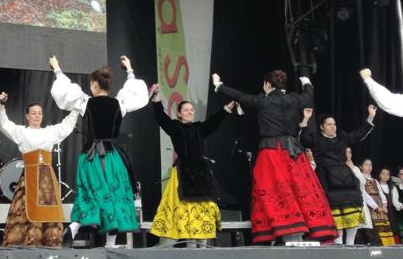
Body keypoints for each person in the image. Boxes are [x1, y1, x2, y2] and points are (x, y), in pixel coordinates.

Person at [211, 70, 337, 244]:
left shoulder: (263, 100)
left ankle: (285, 232)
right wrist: (306, 82)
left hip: (272, 152)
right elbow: (308, 95)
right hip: (293, 152)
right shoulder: (294, 99)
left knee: (273, 189)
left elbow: (240, 96)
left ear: (267, 85)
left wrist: (219, 85)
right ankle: (302, 231)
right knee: (300, 188)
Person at [50, 55, 148, 248]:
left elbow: (64, 91)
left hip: (91, 157)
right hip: (113, 158)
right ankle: (110, 243)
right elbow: (134, 92)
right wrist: (129, 70)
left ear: (94, 84)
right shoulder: (119, 103)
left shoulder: (86, 102)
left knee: (90, 193)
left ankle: (75, 226)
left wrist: (57, 69)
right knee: (114, 195)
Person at [148, 83, 235, 248]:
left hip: (201, 175)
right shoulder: (175, 127)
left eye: (192, 109)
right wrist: (157, 98)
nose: (190, 112)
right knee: (183, 211)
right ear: (179, 114)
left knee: (202, 211)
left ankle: (202, 247)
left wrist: (228, 107)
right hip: (183, 173)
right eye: (186, 110)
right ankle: (188, 248)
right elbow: (160, 117)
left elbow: (214, 121)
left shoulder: (199, 128)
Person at [0, 92, 79, 247]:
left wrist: (75, 109)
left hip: (47, 179)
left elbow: (66, 126)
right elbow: (5, 125)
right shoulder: (22, 132)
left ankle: (50, 243)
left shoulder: (50, 131)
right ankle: (28, 245)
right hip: (29, 179)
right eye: (33, 113)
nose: (37, 116)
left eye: (40, 113)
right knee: (24, 212)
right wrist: (2, 106)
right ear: (27, 116)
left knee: (50, 212)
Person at [299, 105, 376, 245]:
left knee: (353, 207)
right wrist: (305, 119)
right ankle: (339, 246)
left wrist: (370, 116)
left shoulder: (342, 137)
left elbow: (358, 134)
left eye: (334, 124)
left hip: (345, 177)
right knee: (336, 214)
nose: (333, 127)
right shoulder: (315, 138)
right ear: (321, 127)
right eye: (329, 124)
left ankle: (350, 244)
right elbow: (303, 139)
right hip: (326, 178)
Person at [356, 159, 395, 246]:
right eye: (366, 165)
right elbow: (364, 195)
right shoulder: (360, 178)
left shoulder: (375, 180)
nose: (369, 167)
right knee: (375, 229)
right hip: (370, 208)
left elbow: (381, 194)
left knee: (384, 229)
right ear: (361, 167)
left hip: (381, 208)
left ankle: (388, 248)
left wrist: (384, 205)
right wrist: (375, 206)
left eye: (370, 165)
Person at [377, 167, 400, 244]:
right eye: (383, 173)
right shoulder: (376, 186)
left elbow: (395, 202)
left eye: (387, 174)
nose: (385, 176)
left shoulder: (392, 187)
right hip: (379, 212)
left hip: (390, 213)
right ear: (379, 174)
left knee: (393, 231)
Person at [392, 167, 403, 241]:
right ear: (398, 175)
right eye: (401, 174)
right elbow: (395, 202)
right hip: (400, 216)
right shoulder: (395, 187)